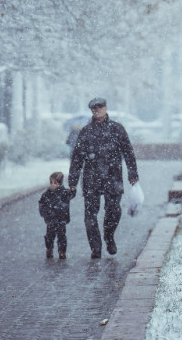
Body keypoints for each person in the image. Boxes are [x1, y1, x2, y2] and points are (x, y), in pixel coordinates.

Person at [68, 97, 139, 258]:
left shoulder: (117, 129)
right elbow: (77, 158)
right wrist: (72, 182)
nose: (97, 111)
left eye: (100, 107)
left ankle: (109, 236)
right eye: (94, 109)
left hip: (112, 176)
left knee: (114, 211)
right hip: (91, 177)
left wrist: (132, 173)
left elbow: (128, 152)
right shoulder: (85, 132)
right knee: (90, 214)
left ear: (106, 108)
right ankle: (95, 247)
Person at [38, 171, 74, 259]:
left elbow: (71, 194)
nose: (53, 185)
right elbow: (42, 204)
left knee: (62, 236)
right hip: (50, 219)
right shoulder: (46, 195)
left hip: (61, 219)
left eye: (55, 183)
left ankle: (62, 251)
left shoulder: (64, 193)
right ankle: (49, 249)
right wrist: (45, 213)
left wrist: (73, 189)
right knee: (49, 236)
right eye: (51, 183)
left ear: (60, 183)